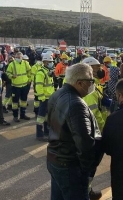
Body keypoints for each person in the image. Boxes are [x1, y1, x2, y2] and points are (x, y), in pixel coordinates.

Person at [47, 63, 101, 200]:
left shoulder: (57, 94)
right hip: (70, 165)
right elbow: (84, 142)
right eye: (91, 81)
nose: (92, 84)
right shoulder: (76, 104)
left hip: (55, 158)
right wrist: (86, 169)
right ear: (80, 83)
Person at [82, 57, 108, 199]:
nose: (100, 70)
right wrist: (105, 129)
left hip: (95, 131)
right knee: (90, 166)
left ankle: (87, 189)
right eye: (96, 68)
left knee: (92, 166)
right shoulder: (90, 89)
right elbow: (95, 114)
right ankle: (85, 192)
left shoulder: (95, 85)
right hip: (95, 132)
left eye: (99, 67)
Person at [6, 52, 32, 122]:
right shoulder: (12, 64)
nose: (18, 58)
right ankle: (15, 116)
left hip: (25, 86)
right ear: (15, 57)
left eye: (20, 57)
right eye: (17, 57)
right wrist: (11, 76)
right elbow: (8, 73)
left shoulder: (25, 63)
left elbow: (30, 71)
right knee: (15, 103)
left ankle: (22, 115)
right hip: (16, 87)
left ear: (22, 57)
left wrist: (29, 80)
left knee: (24, 101)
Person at [35, 54, 55, 141]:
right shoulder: (41, 72)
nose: (51, 63)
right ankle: (39, 134)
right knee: (41, 117)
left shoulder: (48, 72)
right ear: (45, 62)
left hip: (49, 98)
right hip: (44, 99)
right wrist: (42, 97)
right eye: (50, 62)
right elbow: (38, 86)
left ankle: (47, 132)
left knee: (47, 116)